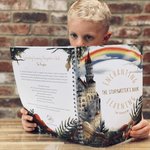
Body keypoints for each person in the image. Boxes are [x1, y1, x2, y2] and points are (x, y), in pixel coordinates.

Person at [20, 0, 150, 139]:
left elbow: (130, 113)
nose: (79, 44)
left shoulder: (118, 69)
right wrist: (31, 120)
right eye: (73, 35)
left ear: (105, 38)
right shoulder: (58, 65)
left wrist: (141, 126)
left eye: (88, 37)